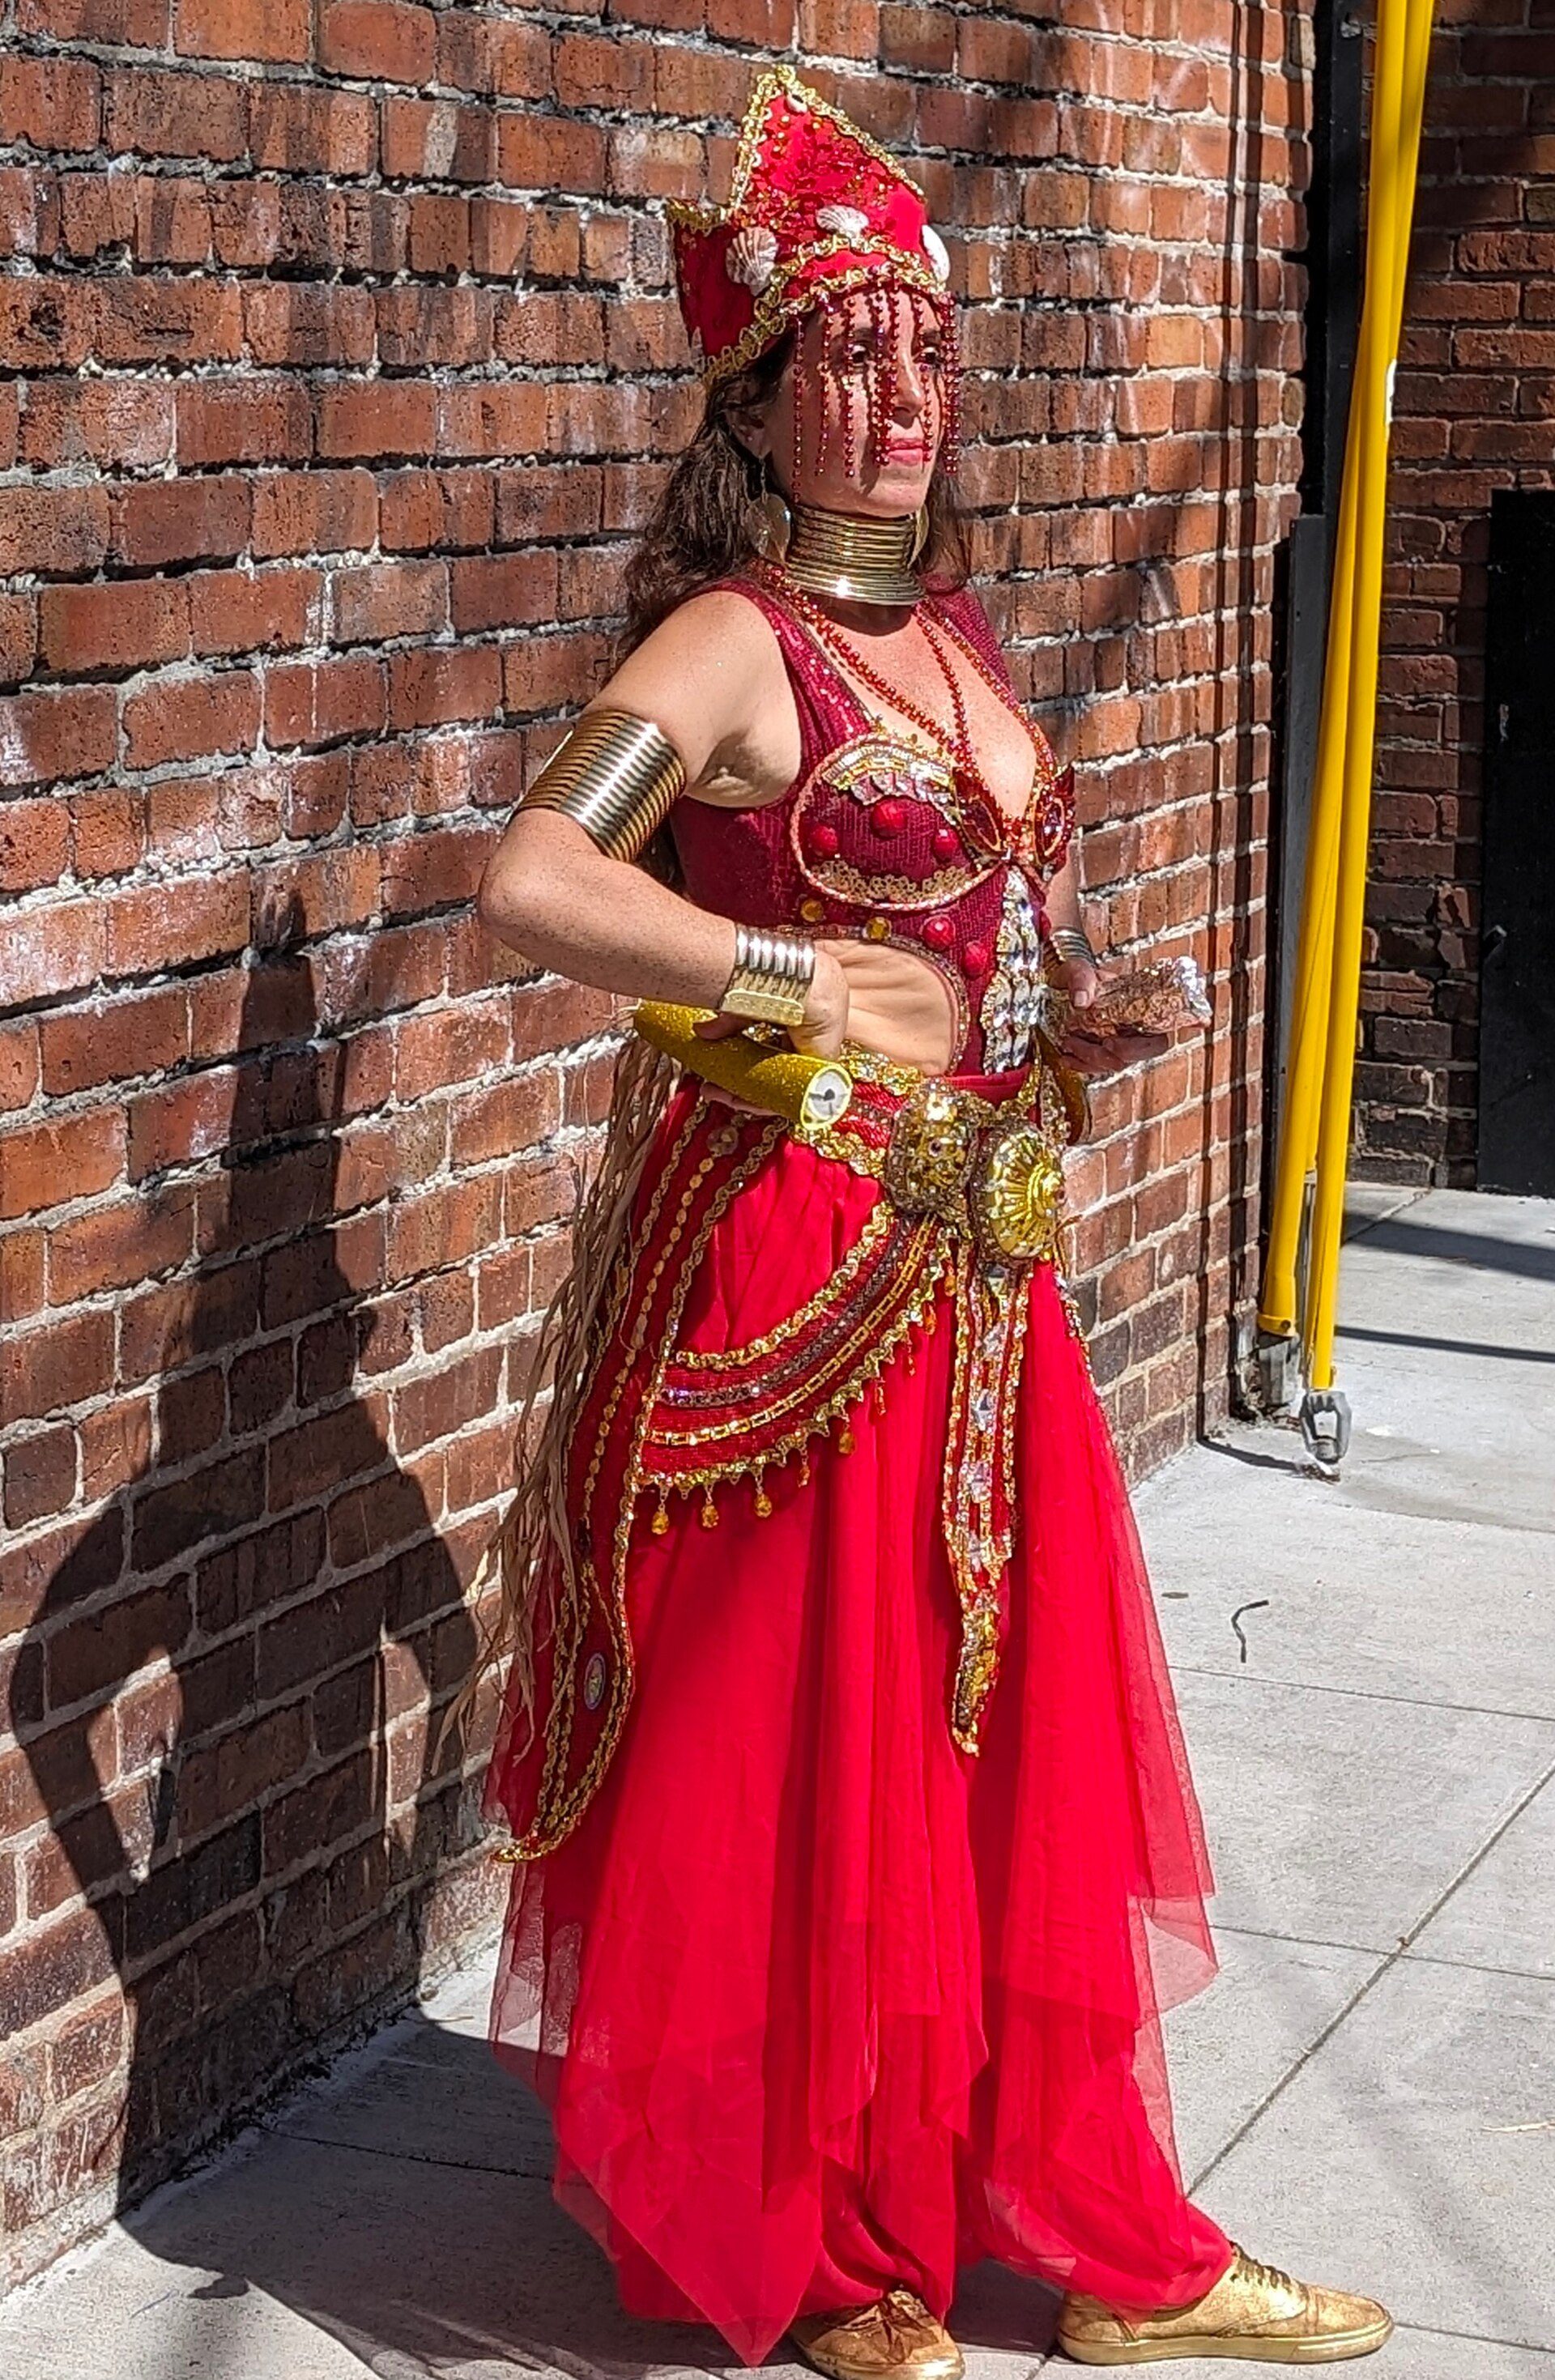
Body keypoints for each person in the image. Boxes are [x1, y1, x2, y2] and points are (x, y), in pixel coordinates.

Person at [471, 63, 1392, 2373]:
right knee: (818, 1748)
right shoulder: (732, 639)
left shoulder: (955, 639)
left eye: (925, 353)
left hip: (985, 1270)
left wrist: (1087, 1006)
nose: (903, 396)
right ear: (760, 398)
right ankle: (836, 2242)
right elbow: (534, 878)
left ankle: (1089, 2231)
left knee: (999, 1751)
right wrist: (783, 978)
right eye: (851, 355)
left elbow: (988, 943)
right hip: (794, 1261)